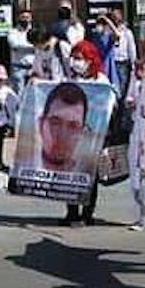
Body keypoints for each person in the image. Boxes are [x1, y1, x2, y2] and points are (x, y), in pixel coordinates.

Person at [63, 40, 112, 226]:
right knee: (70, 174)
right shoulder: (71, 80)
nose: (75, 62)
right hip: (72, 136)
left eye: (79, 58)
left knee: (89, 175)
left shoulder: (101, 81)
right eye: (73, 58)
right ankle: (71, 212)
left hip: (93, 134)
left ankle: (87, 213)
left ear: (90, 60)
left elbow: (110, 104)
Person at [110, 9, 137, 98]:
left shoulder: (127, 32)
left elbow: (131, 48)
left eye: (117, 16)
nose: (115, 19)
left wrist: (133, 63)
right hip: (112, 61)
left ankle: (121, 106)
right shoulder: (109, 31)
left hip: (123, 62)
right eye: (113, 17)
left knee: (123, 86)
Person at [7, 9, 36, 93]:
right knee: (19, 94)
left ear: (31, 19)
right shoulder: (13, 32)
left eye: (27, 17)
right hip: (18, 68)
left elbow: (39, 45)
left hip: (33, 68)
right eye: (23, 17)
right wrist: (33, 47)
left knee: (33, 93)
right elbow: (15, 45)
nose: (25, 19)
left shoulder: (35, 31)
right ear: (18, 19)